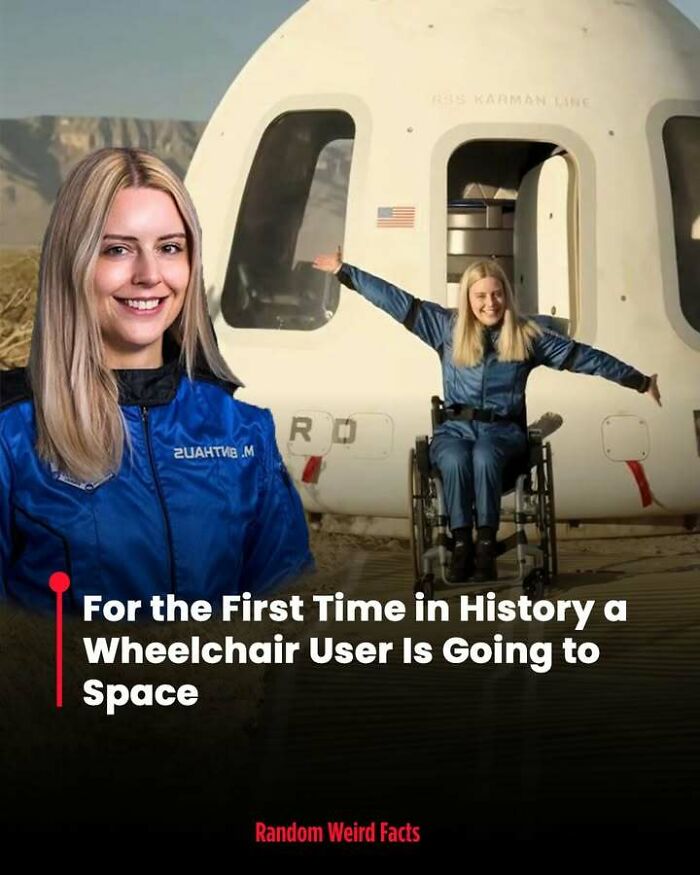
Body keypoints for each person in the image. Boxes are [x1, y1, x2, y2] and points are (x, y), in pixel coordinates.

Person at [0, 148, 313, 612]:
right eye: (117, 249)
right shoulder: (12, 436)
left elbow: (285, 608)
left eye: (169, 248)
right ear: (72, 261)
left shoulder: (242, 431)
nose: (149, 275)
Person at [313, 252, 661, 582]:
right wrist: (345, 271)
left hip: (503, 434)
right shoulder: (444, 328)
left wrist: (639, 381)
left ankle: (485, 544)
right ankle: (461, 542)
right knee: (453, 457)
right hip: (455, 429)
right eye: (480, 296)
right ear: (467, 298)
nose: (489, 303)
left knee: (482, 455)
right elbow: (394, 300)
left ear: (506, 296)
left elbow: (584, 357)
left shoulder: (527, 336)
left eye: (496, 294)